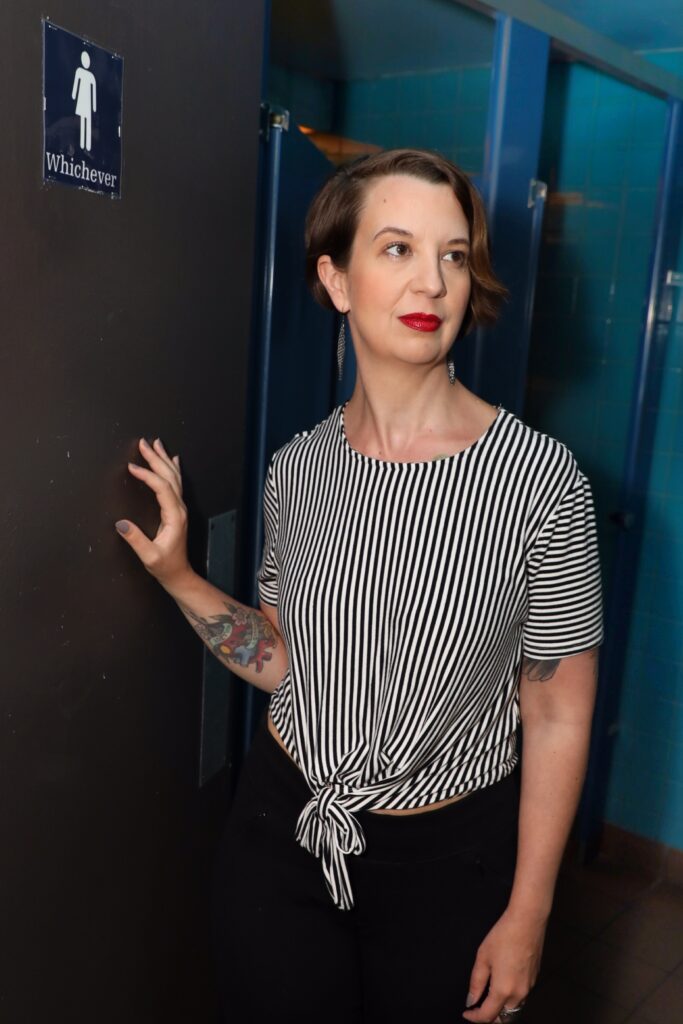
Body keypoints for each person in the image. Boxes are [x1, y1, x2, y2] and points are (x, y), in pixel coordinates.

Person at [114, 148, 604, 1024]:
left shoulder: (540, 478)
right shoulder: (297, 469)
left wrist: (528, 913)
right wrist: (181, 577)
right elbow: (288, 663)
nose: (432, 281)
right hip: (281, 834)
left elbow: (559, 709)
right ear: (334, 280)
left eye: (452, 255)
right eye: (396, 249)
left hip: (452, 867)